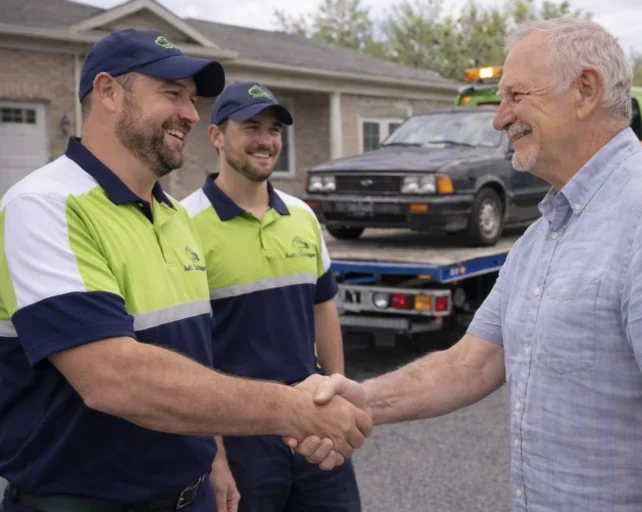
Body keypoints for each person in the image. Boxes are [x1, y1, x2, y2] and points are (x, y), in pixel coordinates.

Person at [288, 18, 642, 512]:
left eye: (515, 95)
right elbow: (472, 363)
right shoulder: (543, 234)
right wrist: (358, 400)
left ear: (585, 90)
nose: (498, 119)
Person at [0, 29, 371, 512]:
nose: (191, 115)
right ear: (109, 92)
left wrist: (212, 458)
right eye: (172, 94)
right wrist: (293, 409)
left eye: (193, 100)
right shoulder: (45, 206)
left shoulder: (173, 216)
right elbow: (114, 378)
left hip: (188, 495)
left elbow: (193, 354)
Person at [180, 81, 361, 512]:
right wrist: (215, 453)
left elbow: (323, 309)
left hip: (312, 420)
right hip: (239, 435)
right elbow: (187, 351)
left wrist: (338, 395)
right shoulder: (182, 224)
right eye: (251, 127)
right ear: (217, 136)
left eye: (275, 129)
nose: (266, 141)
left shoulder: (301, 216)